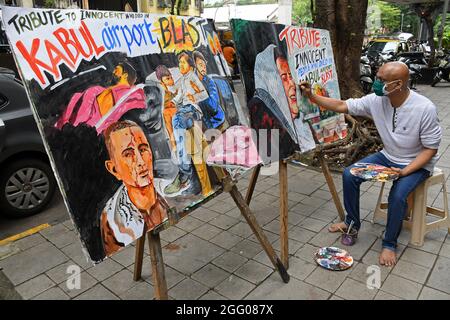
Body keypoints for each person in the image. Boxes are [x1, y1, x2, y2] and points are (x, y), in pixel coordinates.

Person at [300, 62, 442, 266]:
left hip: (416, 163)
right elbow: (342, 106)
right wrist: (312, 96)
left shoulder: (424, 108)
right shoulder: (376, 100)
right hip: (388, 155)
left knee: (399, 195)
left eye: (381, 80)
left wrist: (404, 171)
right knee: (350, 174)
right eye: (377, 77)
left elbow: (431, 149)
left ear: (398, 84)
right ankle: (351, 223)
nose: (376, 83)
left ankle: (390, 244)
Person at [100, 120, 169, 257]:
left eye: (143, 149)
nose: (140, 161)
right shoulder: (111, 220)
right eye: (128, 154)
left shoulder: (172, 190)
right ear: (114, 169)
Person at [164, 52, 213, 197]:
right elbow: (178, 93)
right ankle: (185, 172)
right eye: (179, 63)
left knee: (176, 121)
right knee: (177, 122)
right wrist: (171, 95)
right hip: (187, 112)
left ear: (190, 65)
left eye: (183, 63)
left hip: (190, 110)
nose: (180, 65)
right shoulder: (184, 79)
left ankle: (184, 172)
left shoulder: (192, 77)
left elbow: (204, 94)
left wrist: (194, 97)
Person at [56, 61, 145, 134]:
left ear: (125, 75)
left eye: (117, 70)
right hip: (69, 130)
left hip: (88, 137)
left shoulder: (132, 96)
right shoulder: (97, 90)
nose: (113, 72)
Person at [192, 50, 228, 131]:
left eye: (204, 65)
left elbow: (213, 106)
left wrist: (201, 93)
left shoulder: (209, 82)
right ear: (195, 65)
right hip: (203, 126)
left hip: (217, 123)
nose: (204, 68)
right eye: (200, 65)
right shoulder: (191, 82)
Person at [155, 65, 178, 149]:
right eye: (168, 79)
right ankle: (174, 145)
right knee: (170, 127)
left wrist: (177, 93)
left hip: (170, 111)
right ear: (161, 81)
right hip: (167, 112)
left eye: (171, 77)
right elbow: (166, 102)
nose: (171, 80)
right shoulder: (162, 91)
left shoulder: (167, 90)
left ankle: (175, 145)